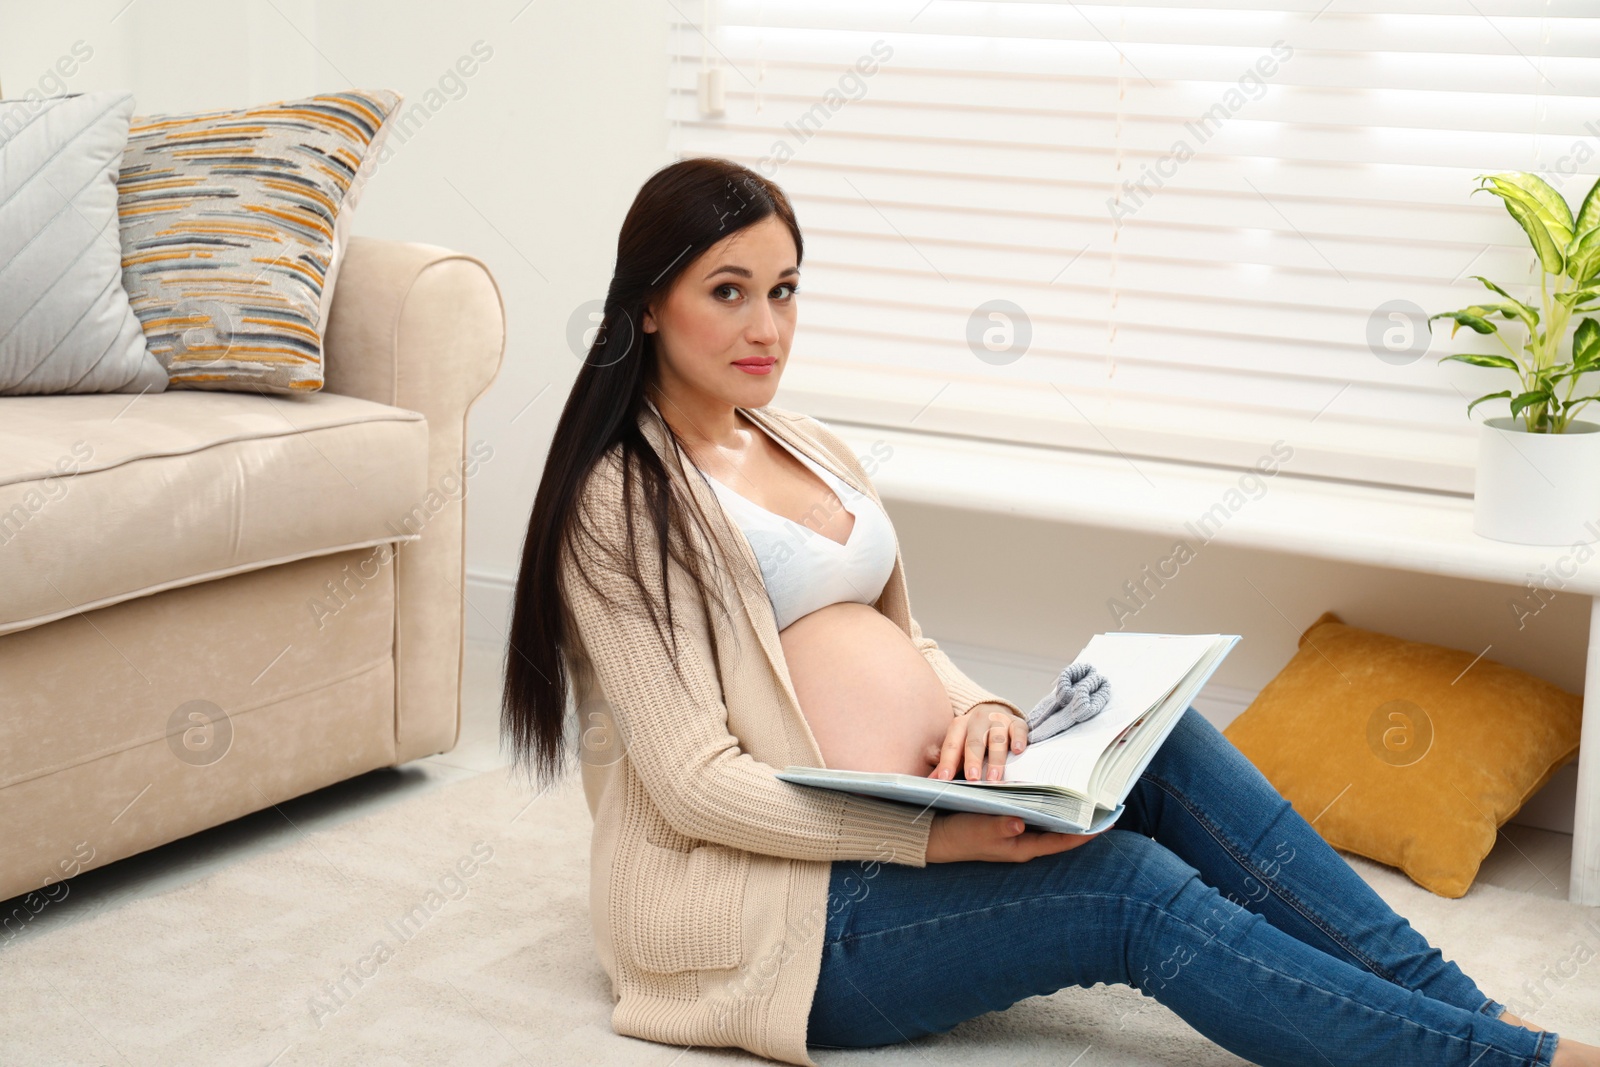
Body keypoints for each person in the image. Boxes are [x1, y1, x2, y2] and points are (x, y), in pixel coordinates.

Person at [501, 157, 1594, 1067]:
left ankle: (1464, 1006)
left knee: (1164, 741)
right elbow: (696, 786)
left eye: (785, 289)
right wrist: (936, 841)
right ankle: (1504, 1063)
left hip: (922, 807)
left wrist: (980, 710)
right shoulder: (620, 501)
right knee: (1127, 890)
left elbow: (904, 636)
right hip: (787, 916)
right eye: (727, 290)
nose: (767, 326)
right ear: (648, 303)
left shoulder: (804, 441)